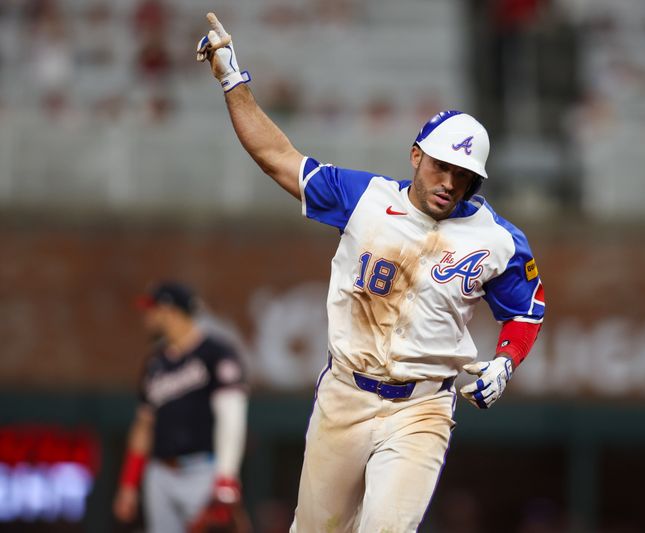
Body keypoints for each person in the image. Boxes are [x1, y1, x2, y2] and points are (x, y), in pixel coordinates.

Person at [197, 13, 546, 532]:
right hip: (345, 393)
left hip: (423, 407)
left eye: (464, 175)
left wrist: (506, 361)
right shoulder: (364, 197)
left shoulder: (498, 239)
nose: (450, 182)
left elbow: (527, 310)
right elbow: (277, 157)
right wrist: (232, 79)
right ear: (416, 156)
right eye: (441, 166)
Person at [113, 281, 250, 533]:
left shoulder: (216, 353)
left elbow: (232, 417)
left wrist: (226, 477)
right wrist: (129, 483)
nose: (148, 317)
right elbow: (144, 426)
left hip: (202, 471)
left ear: (170, 311)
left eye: (152, 310)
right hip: (160, 473)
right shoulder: (155, 363)